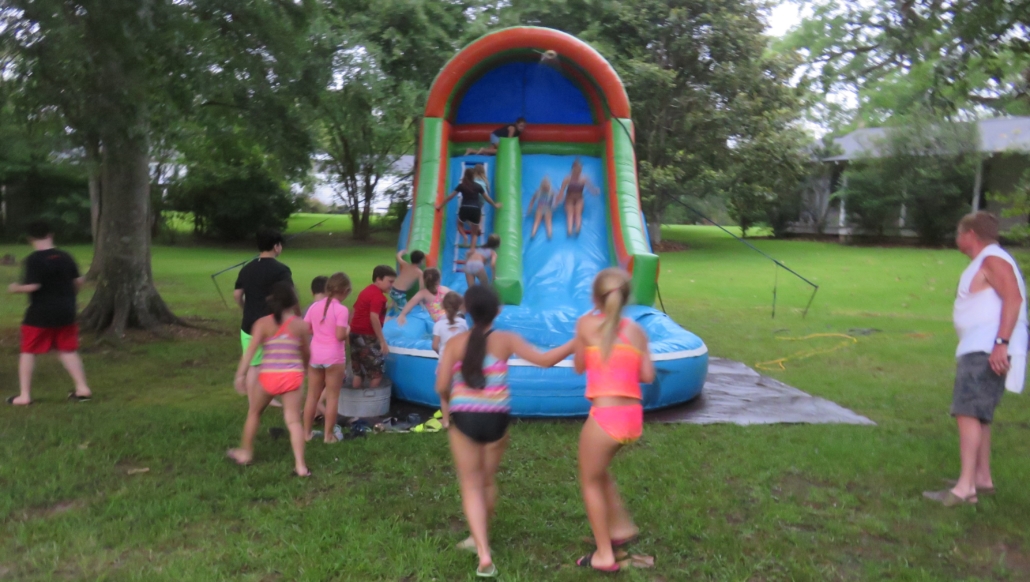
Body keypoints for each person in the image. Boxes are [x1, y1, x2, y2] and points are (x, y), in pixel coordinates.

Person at [436, 285, 574, 578]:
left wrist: (449, 402)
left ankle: (482, 551)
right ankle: (478, 537)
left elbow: (441, 385)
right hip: (497, 419)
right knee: (486, 481)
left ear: (466, 311)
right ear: (497, 311)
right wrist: (576, 342)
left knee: (471, 484)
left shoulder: (455, 343)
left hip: (465, 418)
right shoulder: (506, 339)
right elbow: (546, 360)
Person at [923, 212, 1028, 506]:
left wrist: (1001, 343)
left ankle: (964, 488)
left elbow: (1014, 299)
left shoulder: (993, 259)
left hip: (986, 347)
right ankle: (981, 477)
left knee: (967, 412)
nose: (957, 238)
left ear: (970, 234)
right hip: (980, 345)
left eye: (959, 233)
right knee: (979, 413)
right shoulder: (987, 260)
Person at [572, 268, 655, 572]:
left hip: (605, 417)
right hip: (632, 418)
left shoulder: (585, 324)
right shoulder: (638, 332)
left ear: (596, 298)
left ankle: (604, 555)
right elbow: (647, 375)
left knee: (589, 480)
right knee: (598, 468)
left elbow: (578, 366)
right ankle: (620, 528)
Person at [229, 282, 312, 477]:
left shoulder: (262, 324)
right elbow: (306, 352)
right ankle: (300, 466)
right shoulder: (300, 325)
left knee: (254, 412)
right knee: (293, 421)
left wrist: (240, 375)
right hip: (292, 377)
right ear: (293, 301)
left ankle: (245, 453)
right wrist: (305, 368)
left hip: (268, 377)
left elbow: (250, 352)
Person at [6, 220, 91, 406]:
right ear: (51, 235)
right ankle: (82, 388)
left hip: (40, 313)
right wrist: (70, 296)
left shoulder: (34, 259)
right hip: (67, 311)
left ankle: (24, 396)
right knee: (67, 349)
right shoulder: (65, 256)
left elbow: (33, 286)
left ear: (30, 239)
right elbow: (79, 281)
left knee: (28, 350)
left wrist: (15, 288)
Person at [234, 229, 293, 403]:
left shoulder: (247, 269)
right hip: (272, 324)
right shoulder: (282, 270)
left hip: (248, 324)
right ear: (276, 247)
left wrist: (245, 308)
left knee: (254, 365)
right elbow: (289, 296)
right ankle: (268, 397)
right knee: (274, 364)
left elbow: (237, 295)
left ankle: (255, 402)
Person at [303, 272, 351, 443]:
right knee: (332, 398)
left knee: (312, 396)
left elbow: (306, 328)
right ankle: (328, 436)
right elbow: (340, 335)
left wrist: (319, 330)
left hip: (315, 355)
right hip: (333, 358)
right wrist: (348, 329)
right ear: (345, 291)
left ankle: (306, 434)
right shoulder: (342, 310)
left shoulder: (314, 307)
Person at [350, 265, 396, 389]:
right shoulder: (379, 297)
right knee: (377, 373)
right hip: (367, 337)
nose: (392, 285)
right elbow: (374, 317)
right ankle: (371, 397)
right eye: (390, 281)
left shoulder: (366, 291)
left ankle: (355, 397)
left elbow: (354, 311)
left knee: (358, 372)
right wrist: (382, 341)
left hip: (354, 335)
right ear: (378, 279)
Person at [438, 169, 501, 245]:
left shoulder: (462, 185)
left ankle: (465, 237)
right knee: (474, 233)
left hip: (465, 208)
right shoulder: (478, 186)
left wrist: (440, 206)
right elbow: (486, 198)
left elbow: (450, 197)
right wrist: (494, 205)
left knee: (459, 225)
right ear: (473, 176)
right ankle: (472, 249)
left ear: (465, 176)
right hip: (476, 209)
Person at [557, 158, 600, 237]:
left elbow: (591, 189)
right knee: (570, 213)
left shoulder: (583, 178)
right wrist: (558, 199)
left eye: (580, 170)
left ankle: (577, 229)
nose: (578, 172)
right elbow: (562, 191)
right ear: (572, 170)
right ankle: (569, 230)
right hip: (569, 199)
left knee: (578, 213)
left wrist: (595, 191)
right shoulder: (567, 179)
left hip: (579, 199)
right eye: (577, 170)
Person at [389, 249, 425, 318]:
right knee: (406, 311)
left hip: (392, 289)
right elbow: (421, 289)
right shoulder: (419, 273)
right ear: (421, 261)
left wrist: (402, 252)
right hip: (400, 294)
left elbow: (398, 257)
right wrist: (421, 301)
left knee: (394, 303)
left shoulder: (405, 264)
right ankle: (391, 319)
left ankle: (389, 307)